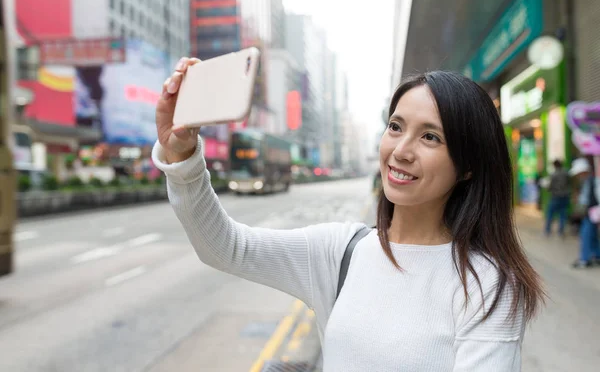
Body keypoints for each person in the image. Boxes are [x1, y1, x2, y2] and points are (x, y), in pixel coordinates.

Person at [153, 60, 545, 371]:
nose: (401, 150)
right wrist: (182, 156)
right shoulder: (343, 251)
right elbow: (224, 247)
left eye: (431, 137)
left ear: (468, 166)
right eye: (396, 126)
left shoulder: (488, 284)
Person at [569, 157, 600, 268]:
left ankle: (584, 259)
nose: (578, 176)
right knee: (592, 236)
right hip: (590, 213)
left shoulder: (593, 181)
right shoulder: (588, 181)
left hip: (592, 213)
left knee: (586, 235)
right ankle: (597, 255)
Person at [544, 159, 571, 237]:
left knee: (550, 214)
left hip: (555, 197)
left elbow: (549, 187)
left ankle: (547, 230)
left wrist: (547, 187)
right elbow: (570, 183)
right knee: (563, 214)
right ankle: (560, 231)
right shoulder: (566, 173)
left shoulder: (553, 174)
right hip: (565, 196)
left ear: (554, 165)